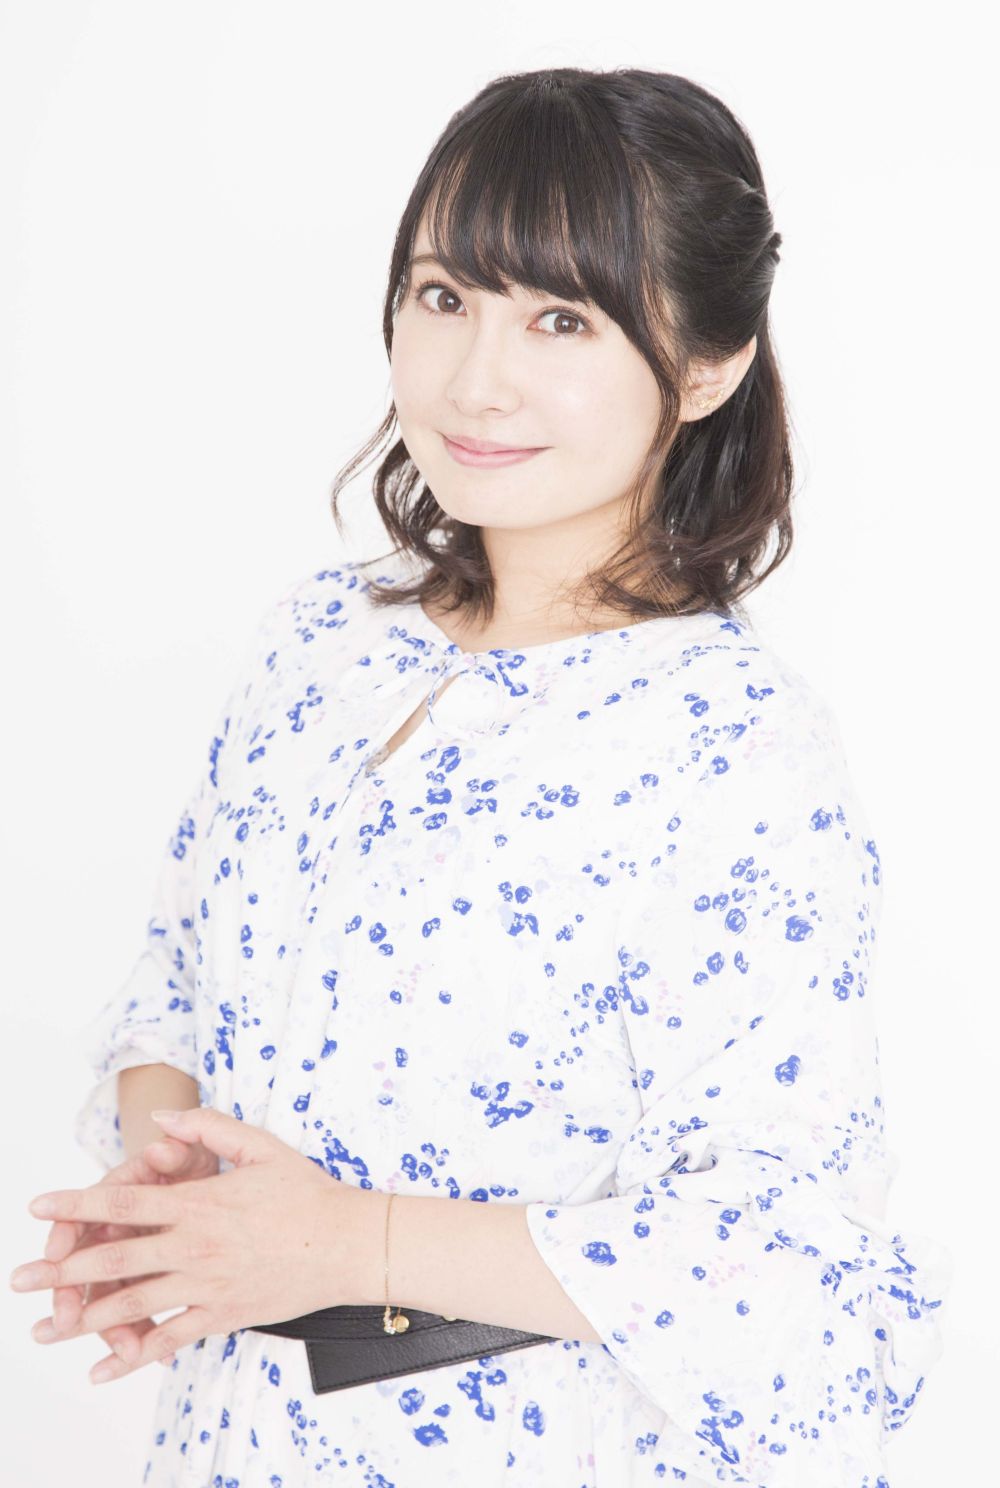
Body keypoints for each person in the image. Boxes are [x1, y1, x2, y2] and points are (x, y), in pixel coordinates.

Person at [13, 66, 952, 1486]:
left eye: (562, 319)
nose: (473, 380)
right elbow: (179, 976)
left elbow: (787, 1268)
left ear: (709, 365)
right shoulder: (325, 643)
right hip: (229, 1439)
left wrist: (349, 1245)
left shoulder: (734, 748)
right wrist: (180, 1195)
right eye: (444, 296)